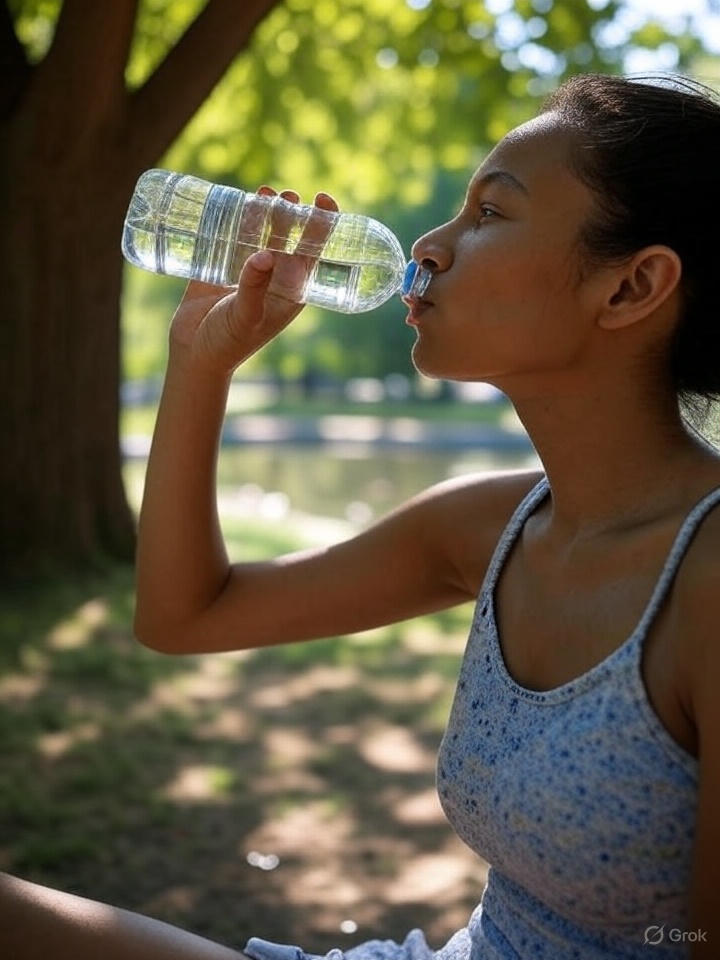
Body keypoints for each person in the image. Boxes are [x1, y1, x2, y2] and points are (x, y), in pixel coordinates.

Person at [4, 72, 720, 959]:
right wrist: (202, 359)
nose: (429, 243)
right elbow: (183, 615)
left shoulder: (707, 579)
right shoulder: (494, 528)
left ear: (630, 287)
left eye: (490, 214)